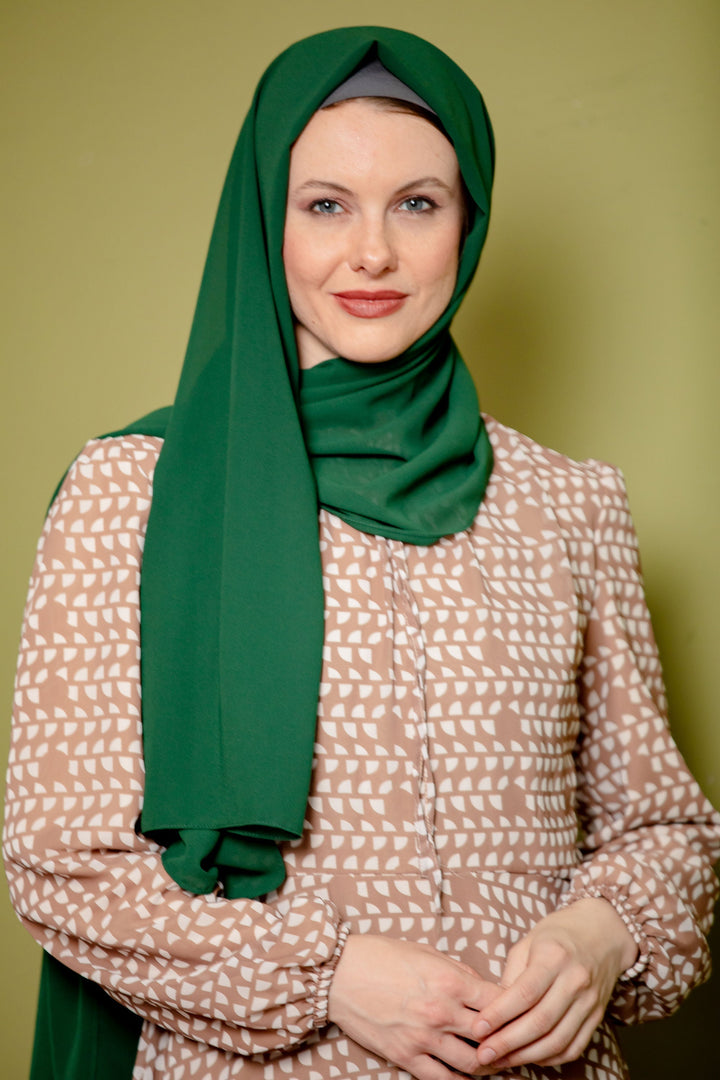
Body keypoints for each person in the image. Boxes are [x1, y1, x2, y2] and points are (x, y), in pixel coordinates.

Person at [4, 25, 720, 1080]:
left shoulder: (571, 503)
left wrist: (598, 938)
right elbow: (60, 860)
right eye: (325, 204)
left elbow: (667, 830)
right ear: (267, 221)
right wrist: (328, 973)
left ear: (469, 222)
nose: (371, 252)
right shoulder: (133, 490)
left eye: (418, 203)